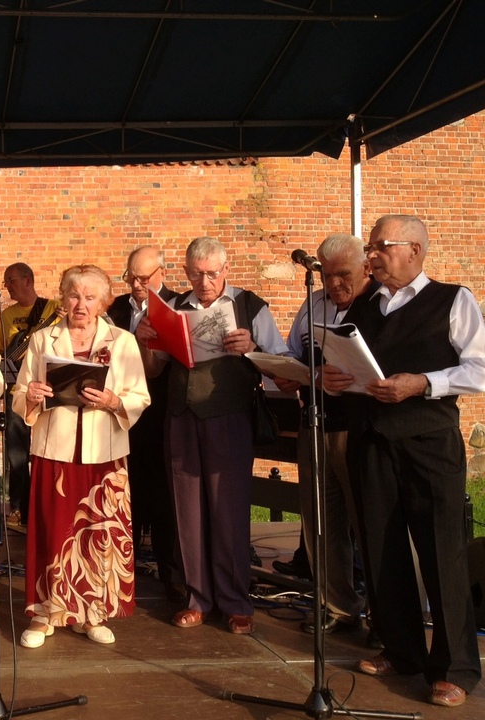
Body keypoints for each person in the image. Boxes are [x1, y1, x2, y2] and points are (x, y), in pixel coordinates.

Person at [322, 215, 484, 708]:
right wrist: (334, 379)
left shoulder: (453, 299)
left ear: (414, 250)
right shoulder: (364, 304)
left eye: (380, 246)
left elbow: (480, 368)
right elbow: (352, 365)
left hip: (428, 442)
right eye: (370, 246)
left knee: (442, 552)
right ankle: (401, 648)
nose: (370, 255)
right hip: (372, 440)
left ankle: (454, 667)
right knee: (381, 546)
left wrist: (424, 383)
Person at [12, 264, 150, 648]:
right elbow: (19, 394)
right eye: (74, 295)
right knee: (52, 531)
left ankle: (93, 613)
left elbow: (140, 396)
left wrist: (113, 401)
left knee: (97, 534)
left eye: (90, 297)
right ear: (63, 297)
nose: (81, 305)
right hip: (54, 449)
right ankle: (44, 614)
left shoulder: (122, 341)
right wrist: (31, 395)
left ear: (103, 303)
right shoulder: (43, 339)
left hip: (104, 454)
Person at [157, 237, 287, 635]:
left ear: (226, 270)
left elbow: (281, 364)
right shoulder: (173, 307)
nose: (205, 282)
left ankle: (234, 601)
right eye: (196, 274)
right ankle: (197, 599)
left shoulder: (250, 305)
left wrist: (252, 347)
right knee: (187, 510)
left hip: (229, 416)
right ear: (186, 272)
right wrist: (149, 337)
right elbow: (153, 367)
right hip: (182, 416)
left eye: (212, 273)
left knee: (228, 509)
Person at [272, 234, 378, 640]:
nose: (334, 283)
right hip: (315, 424)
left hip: (361, 428)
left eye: (343, 274)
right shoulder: (313, 302)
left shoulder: (379, 305)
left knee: (368, 522)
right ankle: (339, 605)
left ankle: (386, 615)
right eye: (327, 275)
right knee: (321, 522)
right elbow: (292, 349)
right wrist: (289, 371)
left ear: (366, 268)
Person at [108, 246, 184, 602]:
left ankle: (172, 577)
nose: (136, 285)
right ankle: (126, 574)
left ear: (162, 274)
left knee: (164, 499)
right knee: (130, 496)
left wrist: (143, 344)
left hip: (162, 413)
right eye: (131, 277)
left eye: (143, 278)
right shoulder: (117, 309)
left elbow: (159, 368)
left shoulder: (175, 306)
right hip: (123, 416)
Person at [0, 262, 61, 526]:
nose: (7, 286)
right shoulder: (6, 315)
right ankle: (18, 506)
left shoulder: (54, 308)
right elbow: (5, 353)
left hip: (50, 388)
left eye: (10, 281)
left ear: (27, 280)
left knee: (49, 446)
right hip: (19, 389)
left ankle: (45, 504)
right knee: (16, 452)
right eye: (5, 282)